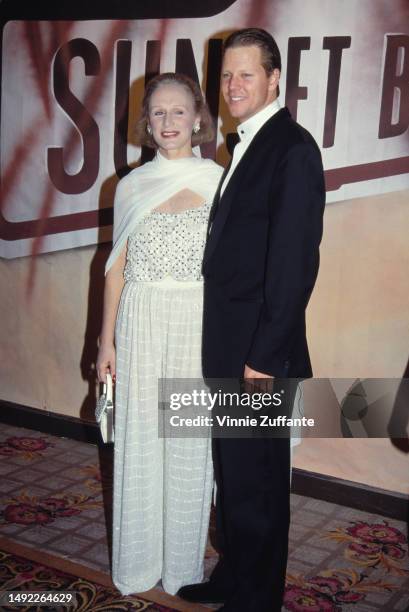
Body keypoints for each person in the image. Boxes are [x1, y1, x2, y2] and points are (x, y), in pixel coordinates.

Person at [177, 28, 325, 611]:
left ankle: (256, 598)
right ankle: (235, 576)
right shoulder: (246, 146)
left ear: (274, 80)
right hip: (232, 347)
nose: (233, 85)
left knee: (258, 482)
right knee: (234, 474)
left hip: (260, 355)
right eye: (226, 75)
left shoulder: (292, 148)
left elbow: (293, 267)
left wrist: (264, 358)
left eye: (246, 74)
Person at [96, 73, 223, 595]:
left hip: (196, 321)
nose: (168, 123)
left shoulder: (221, 181)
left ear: (198, 118)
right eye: (158, 113)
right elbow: (115, 268)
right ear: (146, 124)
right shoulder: (129, 186)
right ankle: (139, 562)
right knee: (142, 436)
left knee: (189, 440)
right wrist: (105, 342)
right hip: (140, 319)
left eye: (178, 112)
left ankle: (182, 568)